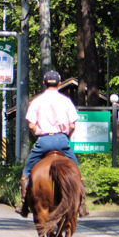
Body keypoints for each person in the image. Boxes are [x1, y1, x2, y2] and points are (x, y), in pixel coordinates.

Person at [20, 69, 87, 218]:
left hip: (43, 141)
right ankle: (82, 205)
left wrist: (38, 134)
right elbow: (72, 125)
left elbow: (31, 125)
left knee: (26, 173)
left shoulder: (36, 101)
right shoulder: (66, 101)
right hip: (62, 140)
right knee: (77, 172)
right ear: (59, 83)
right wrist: (66, 138)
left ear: (44, 83)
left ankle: (24, 205)